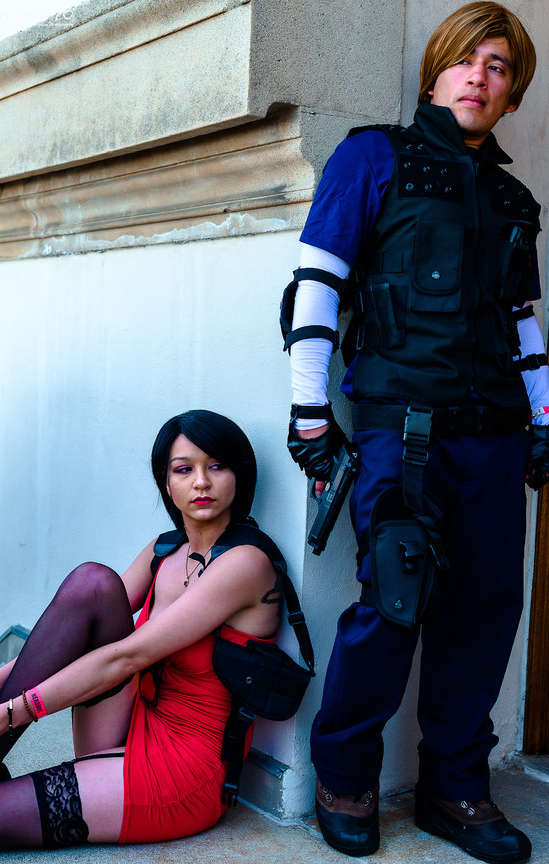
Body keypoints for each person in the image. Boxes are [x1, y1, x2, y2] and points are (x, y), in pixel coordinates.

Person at [283, 3, 549, 862]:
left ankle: (454, 790)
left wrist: (544, 419)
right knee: (393, 600)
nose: (480, 75)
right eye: (467, 59)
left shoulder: (512, 198)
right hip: (404, 431)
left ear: (511, 96)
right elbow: (316, 285)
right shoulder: (372, 157)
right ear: (435, 72)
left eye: (498, 67)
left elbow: (521, 320)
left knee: (484, 613)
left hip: (495, 437)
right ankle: (343, 775)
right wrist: (309, 414)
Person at [0, 409, 283, 854]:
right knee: (94, 584)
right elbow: (71, 638)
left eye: (217, 466)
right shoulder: (164, 550)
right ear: (166, 482)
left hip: (182, 768)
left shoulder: (246, 563)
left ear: (240, 475)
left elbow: (126, 656)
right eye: (184, 469)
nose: (201, 482)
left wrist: (3, 717)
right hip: (129, 722)